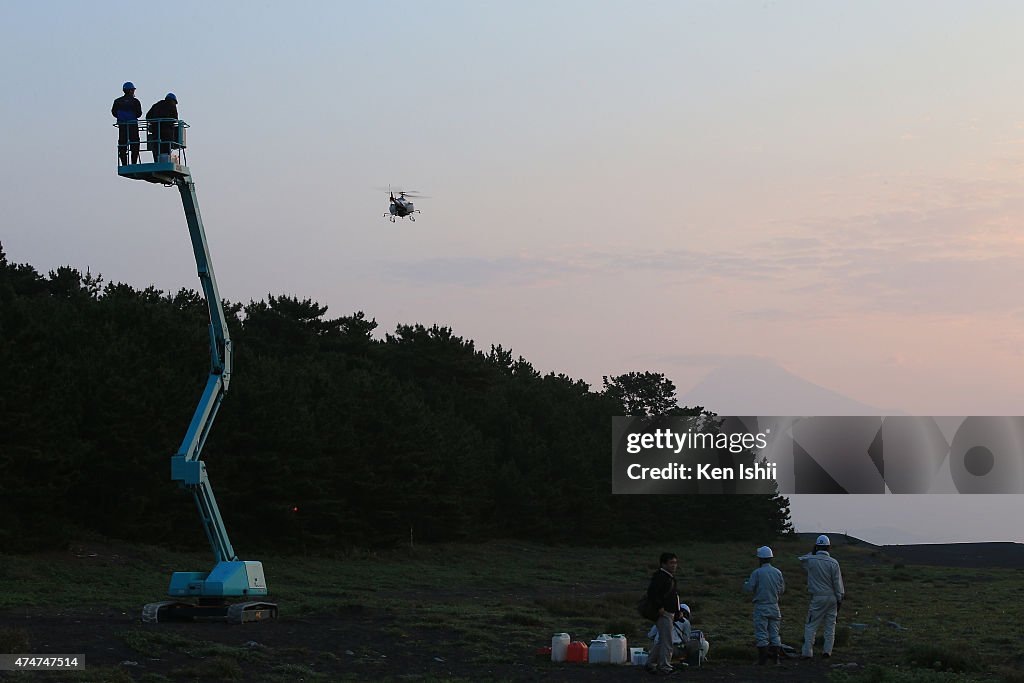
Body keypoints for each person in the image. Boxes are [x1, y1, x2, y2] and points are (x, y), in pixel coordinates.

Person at [799, 534, 845, 659]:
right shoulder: (834, 563)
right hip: (832, 598)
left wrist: (812, 552)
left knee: (811, 625)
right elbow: (838, 584)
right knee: (830, 626)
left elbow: (801, 559)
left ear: (816, 546)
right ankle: (827, 651)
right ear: (829, 547)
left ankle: (807, 652)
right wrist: (839, 599)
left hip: (818, 597)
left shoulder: (810, 560)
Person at [743, 545, 785, 665]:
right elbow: (782, 590)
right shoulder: (778, 572)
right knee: (774, 633)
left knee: (761, 633)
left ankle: (762, 660)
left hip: (761, 606)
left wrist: (745, 583)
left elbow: (750, 588)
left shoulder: (757, 573)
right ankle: (776, 659)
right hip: (774, 606)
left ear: (760, 559)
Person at [645, 552, 679, 676]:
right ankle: (665, 666)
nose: (674, 565)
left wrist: (677, 611)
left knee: (662, 640)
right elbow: (652, 593)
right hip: (664, 613)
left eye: (675, 563)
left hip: (668, 612)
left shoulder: (667, 576)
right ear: (663, 564)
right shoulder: (661, 577)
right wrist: (659, 607)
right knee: (667, 641)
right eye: (671, 563)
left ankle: (650, 663)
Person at [111, 82, 142, 165]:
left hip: (122, 126)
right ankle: (134, 163)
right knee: (135, 144)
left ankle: (124, 163)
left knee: (122, 144)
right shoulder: (135, 101)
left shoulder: (117, 101)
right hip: (132, 126)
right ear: (131, 90)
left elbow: (114, 112)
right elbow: (139, 113)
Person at [145, 93, 179, 161]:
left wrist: (154, 123)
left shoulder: (156, 105)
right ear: (173, 100)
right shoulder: (172, 105)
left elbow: (148, 116)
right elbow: (175, 118)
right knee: (166, 148)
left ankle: (157, 161)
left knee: (157, 147)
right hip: (167, 132)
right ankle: (166, 161)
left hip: (156, 132)